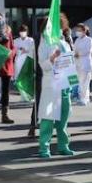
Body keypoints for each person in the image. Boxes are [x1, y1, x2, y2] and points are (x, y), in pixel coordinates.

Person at [37, 13, 76, 159]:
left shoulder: (64, 41)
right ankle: (44, 148)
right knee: (48, 118)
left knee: (64, 117)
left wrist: (73, 84)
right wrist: (52, 59)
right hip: (51, 84)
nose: (58, 27)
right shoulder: (44, 41)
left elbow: (70, 64)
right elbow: (43, 64)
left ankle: (63, 145)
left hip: (65, 85)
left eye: (60, 24)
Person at [72, 22, 92, 106]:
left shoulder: (89, 40)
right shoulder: (77, 40)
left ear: (84, 31)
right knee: (80, 82)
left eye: (79, 30)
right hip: (78, 64)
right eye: (77, 30)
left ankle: (84, 98)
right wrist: (74, 54)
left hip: (86, 64)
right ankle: (83, 98)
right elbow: (74, 49)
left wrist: (79, 54)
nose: (78, 32)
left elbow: (88, 51)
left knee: (85, 82)